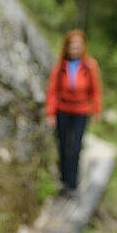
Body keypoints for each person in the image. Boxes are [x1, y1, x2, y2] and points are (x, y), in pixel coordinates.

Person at [46, 30, 102, 197]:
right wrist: (50, 113)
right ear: (67, 46)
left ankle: (73, 184)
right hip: (63, 110)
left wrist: (96, 110)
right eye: (72, 45)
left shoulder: (90, 65)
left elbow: (96, 90)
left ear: (83, 47)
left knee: (76, 147)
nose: (75, 48)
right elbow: (52, 91)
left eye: (79, 45)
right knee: (63, 146)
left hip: (81, 112)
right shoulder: (60, 66)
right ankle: (64, 182)